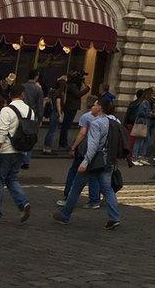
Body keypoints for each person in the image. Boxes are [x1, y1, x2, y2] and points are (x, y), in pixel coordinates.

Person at [53, 98, 122, 230]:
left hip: (94, 161)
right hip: (108, 160)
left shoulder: (96, 123)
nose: (92, 107)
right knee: (108, 189)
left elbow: (93, 145)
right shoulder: (116, 121)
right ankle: (114, 218)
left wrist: (85, 162)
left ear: (100, 108)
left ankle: (65, 215)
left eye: (95, 105)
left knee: (76, 187)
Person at [0, 84, 32, 224]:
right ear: (22, 94)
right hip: (21, 150)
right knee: (12, 179)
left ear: (10, 95)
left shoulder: (7, 110)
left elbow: (2, 131)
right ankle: (23, 203)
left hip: (6, 149)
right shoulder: (30, 110)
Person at [55, 96, 102, 209]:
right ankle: (94, 199)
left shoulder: (86, 117)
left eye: (95, 105)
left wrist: (73, 147)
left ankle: (68, 197)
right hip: (98, 151)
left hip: (85, 150)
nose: (93, 107)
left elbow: (82, 134)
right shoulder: (108, 119)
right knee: (94, 175)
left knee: (74, 173)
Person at [58, 71, 90, 149]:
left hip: (70, 107)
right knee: (66, 125)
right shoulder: (72, 86)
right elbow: (78, 94)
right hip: (71, 107)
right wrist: (87, 89)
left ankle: (63, 142)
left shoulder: (71, 85)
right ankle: (63, 143)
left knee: (66, 125)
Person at [21, 71, 43, 169]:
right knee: (30, 138)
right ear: (36, 77)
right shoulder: (38, 89)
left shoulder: (22, 87)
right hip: (32, 115)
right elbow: (40, 106)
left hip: (20, 113)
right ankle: (26, 160)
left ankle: (19, 158)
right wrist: (40, 119)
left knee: (19, 135)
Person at [42, 76, 66, 155]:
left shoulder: (53, 91)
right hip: (56, 112)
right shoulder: (59, 93)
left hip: (52, 111)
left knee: (50, 130)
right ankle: (48, 147)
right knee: (53, 131)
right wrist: (60, 115)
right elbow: (58, 104)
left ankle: (45, 147)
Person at [131, 89, 154, 165]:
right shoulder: (144, 103)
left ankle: (139, 157)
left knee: (143, 140)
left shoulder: (144, 102)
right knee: (139, 140)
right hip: (142, 123)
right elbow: (141, 112)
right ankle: (135, 157)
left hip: (144, 123)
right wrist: (149, 114)